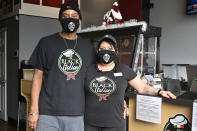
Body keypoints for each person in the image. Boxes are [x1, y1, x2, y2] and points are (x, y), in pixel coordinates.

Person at [84, 34, 176, 131]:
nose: (106, 51)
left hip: (115, 125)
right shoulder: (89, 70)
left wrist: (160, 91)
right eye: (102, 48)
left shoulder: (124, 70)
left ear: (116, 51)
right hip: (90, 124)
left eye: (110, 48)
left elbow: (142, 88)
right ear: (98, 51)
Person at [27, 1, 95, 131]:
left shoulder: (88, 48)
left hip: (77, 114)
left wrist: (119, 99)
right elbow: (37, 77)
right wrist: (33, 110)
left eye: (74, 16)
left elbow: (96, 77)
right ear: (60, 21)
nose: (70, 19)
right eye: (65, 16)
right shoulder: (45, 43)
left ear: (79, 20)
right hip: (47, 113)